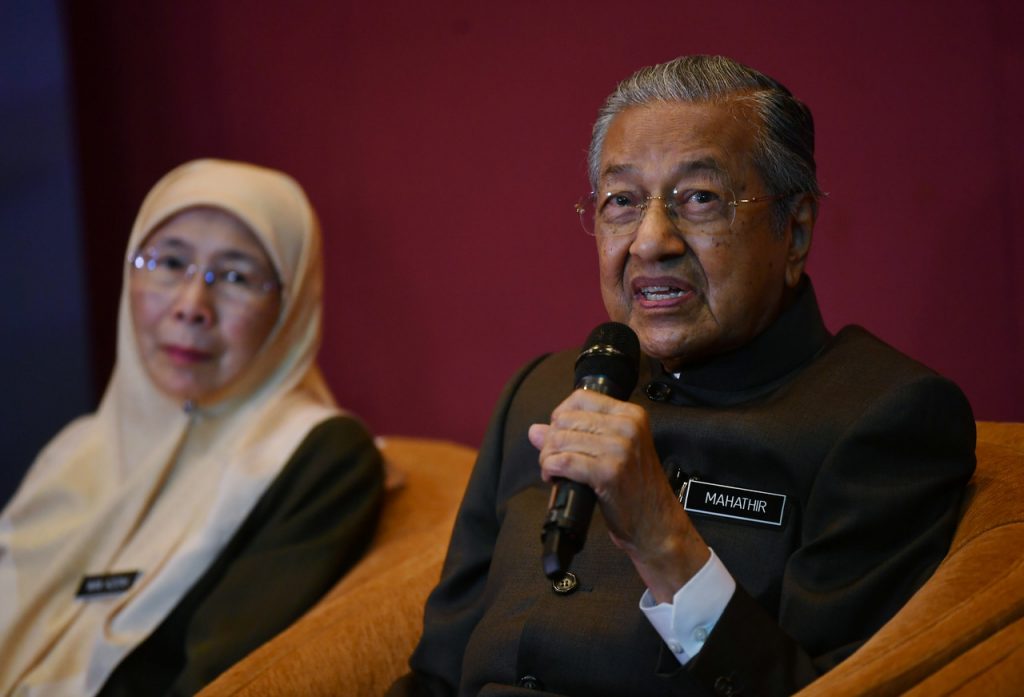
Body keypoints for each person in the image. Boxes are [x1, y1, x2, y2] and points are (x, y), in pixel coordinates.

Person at [388, 55, 976, 696]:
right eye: (622, 201)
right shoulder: (543, 390)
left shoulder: (883, 418)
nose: (650, 241)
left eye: (699, 198)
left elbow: (834, 687)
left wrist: (662, 540)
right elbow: (436, 674)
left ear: (796, 231)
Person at [0, 159, 384, 696]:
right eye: (169, 262)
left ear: (291, 305)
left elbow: (226, 679)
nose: (191, 306)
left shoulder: (319, 456)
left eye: (236, 277)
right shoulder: (76, 450)